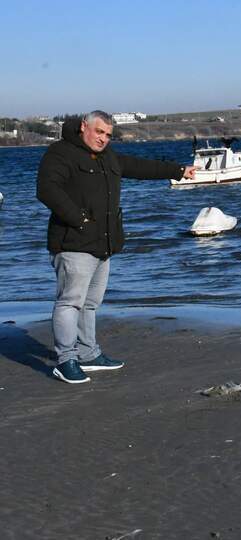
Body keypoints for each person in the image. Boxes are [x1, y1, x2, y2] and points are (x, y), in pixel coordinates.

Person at [36, 110, 197, 384]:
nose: (103, 139)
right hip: (73, 242)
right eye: (99, 132)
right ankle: (66, 360)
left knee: (90, 304)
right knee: (70, 302)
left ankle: (88, 354)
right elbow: (47, 190)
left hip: (103, 244)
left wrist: (178, 171)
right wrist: (81, 221)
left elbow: (138, 166)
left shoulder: (107, 156)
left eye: (108, 135)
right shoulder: (60, 152)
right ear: (84, 127)